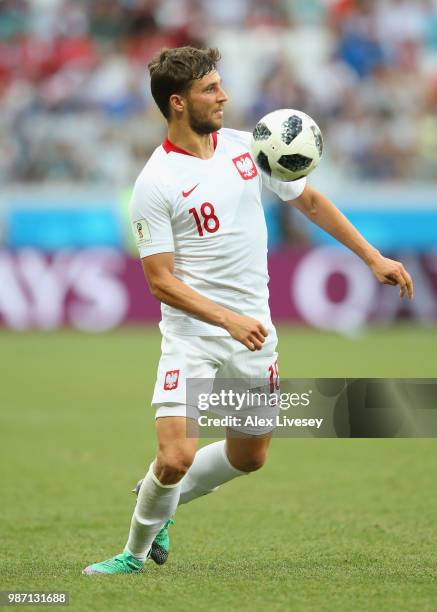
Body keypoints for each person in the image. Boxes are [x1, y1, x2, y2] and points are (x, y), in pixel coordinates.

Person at [82, 46, 414, 575]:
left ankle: (160, 500)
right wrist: (227, 319)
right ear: (178, 103)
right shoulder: (156, 182)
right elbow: (160, 281)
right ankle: (133, 554)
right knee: (175, 457)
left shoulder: (248, 149)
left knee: (249, 458)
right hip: (194, 335)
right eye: (210, 89)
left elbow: (308, 202)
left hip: (255, 334)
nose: (225, 96)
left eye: (220, 84)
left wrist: (372, 256)